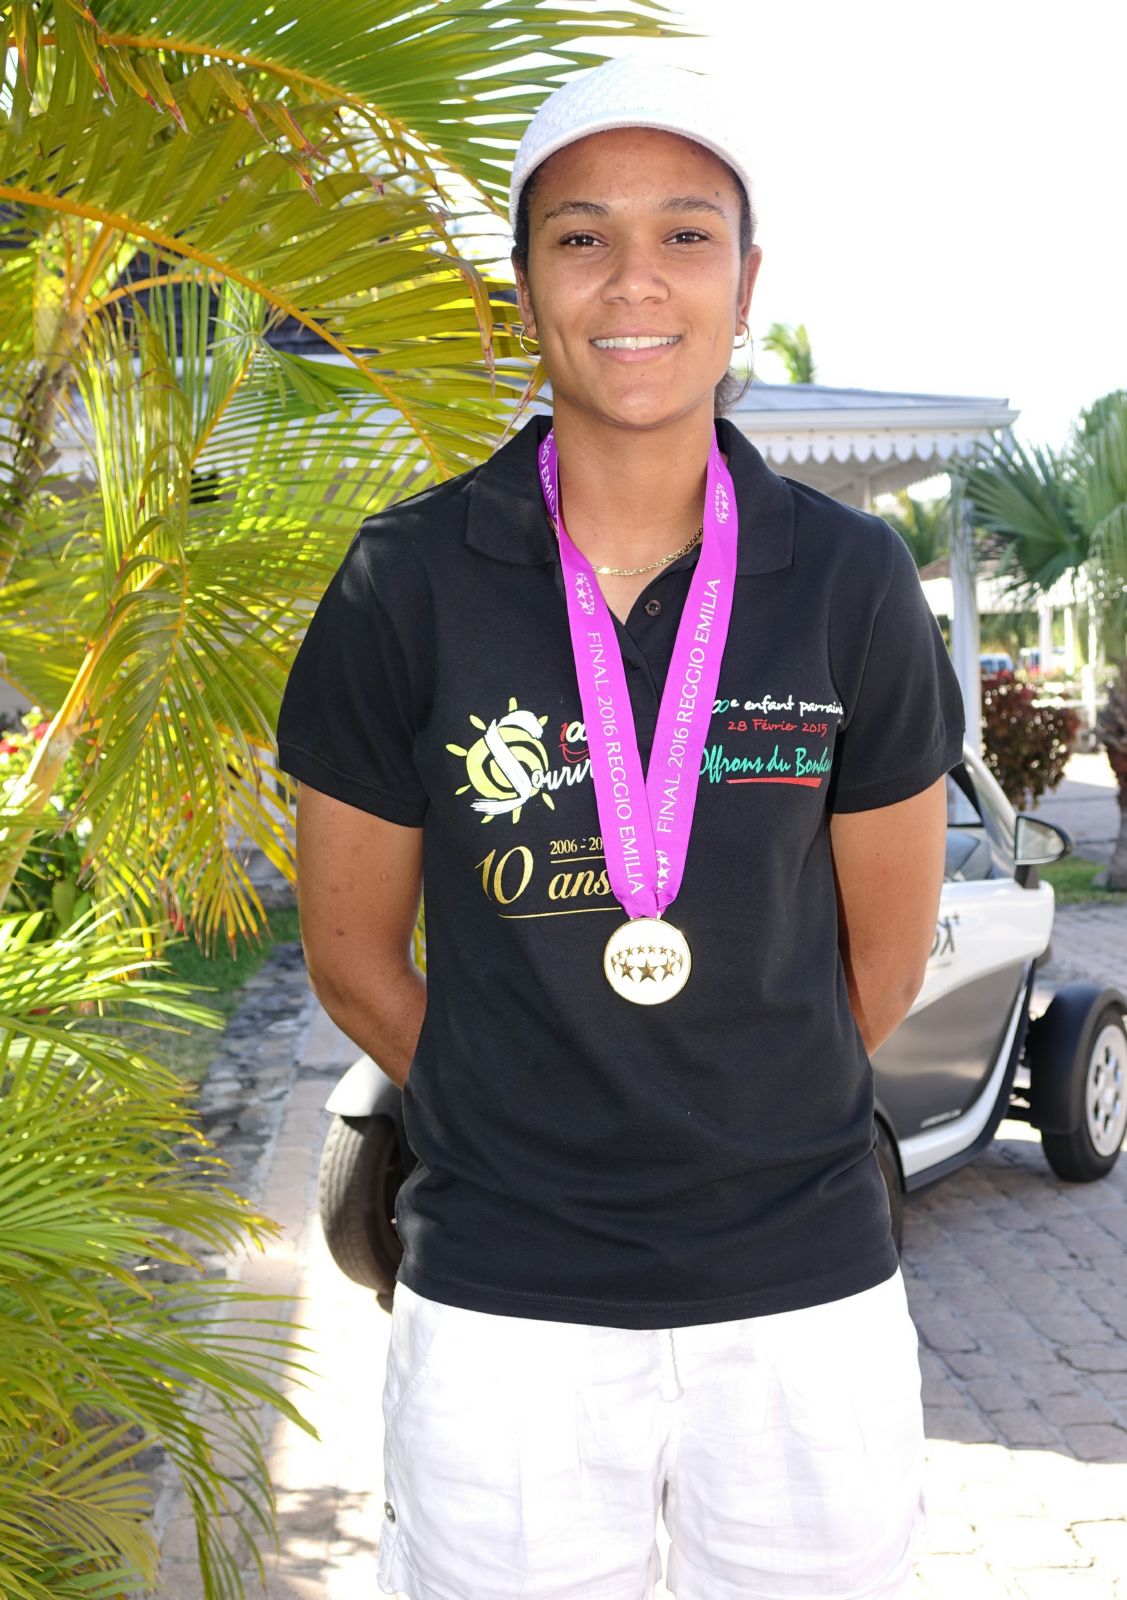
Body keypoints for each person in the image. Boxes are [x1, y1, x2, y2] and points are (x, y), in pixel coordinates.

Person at [275, 52, 966, 1600]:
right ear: (524, 286)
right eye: (581, 237)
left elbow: (885, 957)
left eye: (685, 235)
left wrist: (733, 1120)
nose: (633, 280)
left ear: (746, 280)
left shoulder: (850, 582)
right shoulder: (409, 581)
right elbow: (350, 956)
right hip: (505, 1304)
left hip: (803, 1296)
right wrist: (524, 1115)